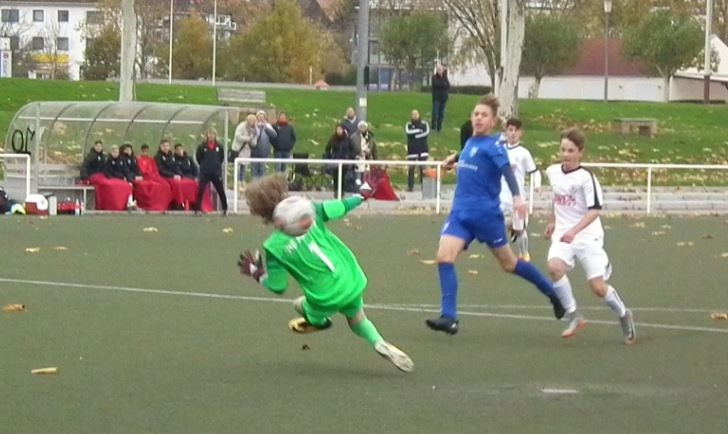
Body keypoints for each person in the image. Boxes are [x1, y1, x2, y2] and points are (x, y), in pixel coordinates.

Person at [238, 174, 414, 372]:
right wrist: (362, 194)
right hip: (349, 280)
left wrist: (256, 272)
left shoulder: (273, 247)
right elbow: (342, 206)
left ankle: (319, 322)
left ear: (262, 213)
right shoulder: (311, 211)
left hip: (324, 297)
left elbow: (278, 287)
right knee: (358, 319)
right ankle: (378, 341)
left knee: (299, 304)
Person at [425, 95, 565, 335]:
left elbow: (506, 170)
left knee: (509, 264)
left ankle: (552, 294)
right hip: (460, 214)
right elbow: (471, 153)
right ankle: (449, 317)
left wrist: (518, 197)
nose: (479, 118)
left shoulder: (495, 146)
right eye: (476, 114)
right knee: (444, 258)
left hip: (486, 216)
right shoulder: (470, 142)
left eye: (484, 115)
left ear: (492, 122)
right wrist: (455, 158)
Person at [544, 127, 636, 345]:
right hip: (563, 234)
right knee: (554, 267)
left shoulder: (586, 178)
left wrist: (574, 231)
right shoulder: (553, 171)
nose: (565, 154)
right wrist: (553, 221)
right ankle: (574, 315)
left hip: (587, 236)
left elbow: (595, 210)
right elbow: (556, 199)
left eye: (570, 150)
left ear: (580, 152)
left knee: (598, 288)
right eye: (562, 149)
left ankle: (624, 314)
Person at [499, 118, 541, 262]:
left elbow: (534, 171)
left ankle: (524, 253)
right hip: (501, 195)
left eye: (516, 130)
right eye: (510, 130)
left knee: (519, 229)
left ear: (520, 133)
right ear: (506, 132)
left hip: (518, 198)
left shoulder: (523, 153)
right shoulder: (499, 150)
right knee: (494, 221)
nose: (513, 133)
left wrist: (537, 184)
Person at [194, 129, 228, 215]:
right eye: (210, 134)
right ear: (207, 135)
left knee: (221, 190)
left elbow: (221, 158)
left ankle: (225, 209)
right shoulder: (202, 146)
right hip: (205, 173)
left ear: (216, 136)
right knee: (201, 190)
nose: (211, 136)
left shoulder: (219, 147)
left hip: (216, 172)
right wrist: (204, 166)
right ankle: (197, 209)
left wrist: (216, 166)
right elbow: (199, 158)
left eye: (213, 134)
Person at [324, 124, 356, 194]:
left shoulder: (347, 139)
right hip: (335, 161)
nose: (339, 131)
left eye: (340, 129)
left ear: (343, 130)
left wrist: (349, 157)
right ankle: (336, 191)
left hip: (345, 161)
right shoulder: (333, 138)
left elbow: (353, 150)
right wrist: (329, 157)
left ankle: (342, 191)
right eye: (337, 129)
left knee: (343, 177)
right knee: (335, 176)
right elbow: (328, 148)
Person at [405, 109, 430, 192]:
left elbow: (426, 133)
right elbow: (409, 133)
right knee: (411, 169)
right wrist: (419, 131)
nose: (415, 115)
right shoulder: (408, 124)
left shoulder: (424, 124)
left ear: (419, 114)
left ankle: (425, 187)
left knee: (423, 169)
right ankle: (410, 186)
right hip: (412, 151)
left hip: (423, 150)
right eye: (413, 114)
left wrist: (415, 136)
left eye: (416, 114)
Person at [231, 114, 258, 189]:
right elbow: (237, 136)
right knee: (238, 167)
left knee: (244, 167)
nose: (252, 121)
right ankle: (237, 183)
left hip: (247, 150)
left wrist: (251, 140)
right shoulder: (242, 126)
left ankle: (243, 182)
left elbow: (254, 143)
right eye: (250, 120)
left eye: (253, 120)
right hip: (239, 149)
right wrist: (247, 138)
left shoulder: (255, 129)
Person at [251, 110, 278, 179]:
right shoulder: (253, 125)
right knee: (254, 169)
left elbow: (274, 135)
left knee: (262, 169)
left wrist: (266, 128)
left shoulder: (267, 126)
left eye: (262, 116)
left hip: (264, 151)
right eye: (259, 116)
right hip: (254, 151)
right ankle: (255, 183)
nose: (261, 118)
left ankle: (262, 183)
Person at [431, 65, 450, 132]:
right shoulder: (434, 77)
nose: (440, 71)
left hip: (444, 98)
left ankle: (439, 127)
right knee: (435, 113)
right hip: (436, 98)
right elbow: (436, 84)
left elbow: (448, 85)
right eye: (439, 70)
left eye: (442, 70)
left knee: (441, 113)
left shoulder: (445, 77)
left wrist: (443, 85)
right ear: (437, 70)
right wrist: (443, 85)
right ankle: (433, 126)